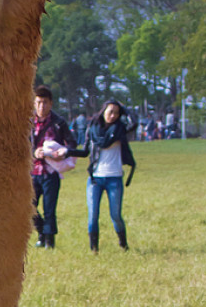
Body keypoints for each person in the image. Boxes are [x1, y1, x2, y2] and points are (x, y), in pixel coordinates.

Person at [73, 99, 136, 252]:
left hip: (114, 178)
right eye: (110, 112)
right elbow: (85, 151)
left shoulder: (120, 129)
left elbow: (134, 123)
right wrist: (66, 152)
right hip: (95, 178)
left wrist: (124, 109)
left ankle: (123, 244)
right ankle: (94, 248)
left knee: (115, 215)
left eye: (116, 113)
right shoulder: (92, 128)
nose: (113, 115)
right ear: (103, 112)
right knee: (93, 214)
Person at [30, 86, 75, 249]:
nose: (42, 106)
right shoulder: (27, 122)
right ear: (34, 103)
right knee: (29, 206)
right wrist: (34, 152)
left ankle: (49, 241)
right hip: (33, 172)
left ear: (51, 103)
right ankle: (41, 231)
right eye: (39, 102)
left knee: (50, 208)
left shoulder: (59, 123)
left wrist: (62, 151)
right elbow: (20, 145)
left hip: (51, 172)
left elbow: (71, 143)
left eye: (45, 102)